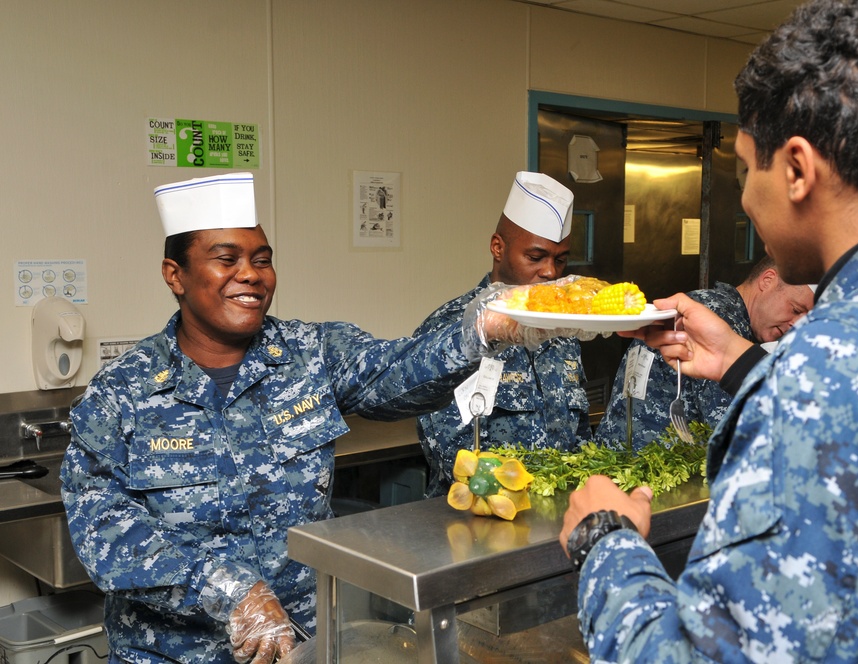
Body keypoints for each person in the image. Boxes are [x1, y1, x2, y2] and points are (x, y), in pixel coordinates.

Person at [559, 0, 858, 661]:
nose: (742, 198)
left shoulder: (836, 368)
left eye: (745, 169)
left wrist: (607, 542)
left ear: (796, 169)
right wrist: (747, 367)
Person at [60, 172, 538, 664]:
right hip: (169, 654)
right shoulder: (123, 391)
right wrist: (228, 589)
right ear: (174, 274)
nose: (251, 274)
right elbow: (102, 526)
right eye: (227, 259)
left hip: (299, 647)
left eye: (262, 260)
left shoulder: (312, 353)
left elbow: (396, 372)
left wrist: (477, 331)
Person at [414, 171, 592, 497]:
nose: (550, 272)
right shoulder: (453, 330)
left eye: (561, 260)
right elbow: (452, 454)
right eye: (535, 257)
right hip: (477, 523)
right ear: (498, 248)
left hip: (559, 521)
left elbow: (579, 434)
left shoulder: (562, 332)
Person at [593, 255, 813, 448]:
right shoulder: (721, 318)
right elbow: (739, 432)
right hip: (652, 475)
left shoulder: (707, 303)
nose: (798, 325)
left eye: (808, 318)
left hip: (620, 458)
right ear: (767, 281)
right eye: (795, 309)